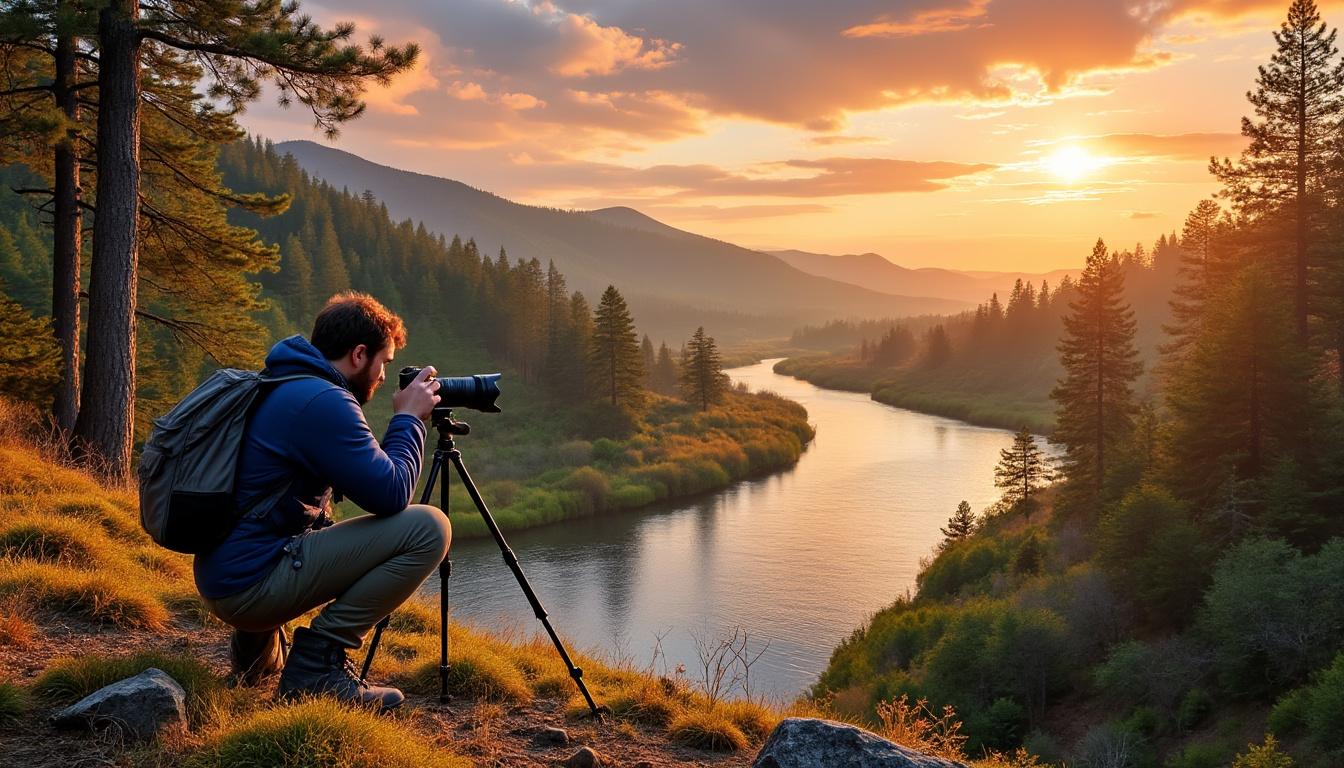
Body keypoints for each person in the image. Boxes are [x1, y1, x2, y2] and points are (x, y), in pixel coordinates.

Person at [193, 292, 450, 710]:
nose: (383, 376)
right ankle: (317, 666)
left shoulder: (283, 382)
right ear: (359, 354)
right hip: (248, 588)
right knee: (428, 528)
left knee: (294, 523)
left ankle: (256, 655)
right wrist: (408, 419)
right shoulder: (323, 402)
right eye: (383, 363)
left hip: (221, 576)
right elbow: (392, 494)